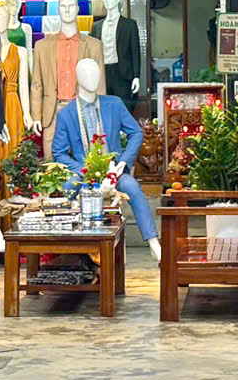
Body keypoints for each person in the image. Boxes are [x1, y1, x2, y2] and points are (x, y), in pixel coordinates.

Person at [49, 56, 159, 258]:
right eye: (86, 74)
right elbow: (59, 153)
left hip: (113, 170)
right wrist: (82, 170)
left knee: (133, 187)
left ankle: (153, 242)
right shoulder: (66, 114)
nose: (92, 78)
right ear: (78, 77)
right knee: (66, 188)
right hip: (83, 173)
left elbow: (136, 132)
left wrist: (123, 162)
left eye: (95, 74)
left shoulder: (114, 104)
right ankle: (63, 248)